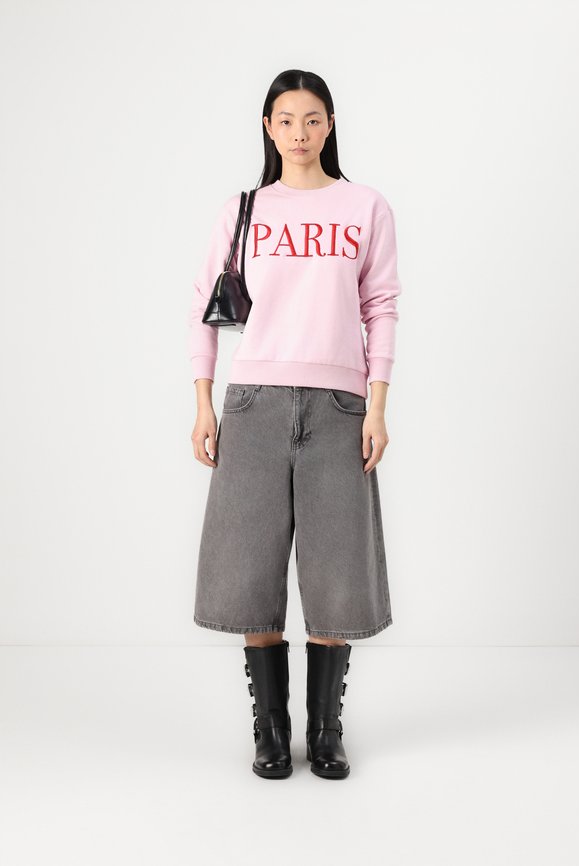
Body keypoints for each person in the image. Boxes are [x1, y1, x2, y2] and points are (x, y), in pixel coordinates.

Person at [188, 69, 402, 780]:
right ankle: (272, 729)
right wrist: (203, 402)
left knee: (338, 569)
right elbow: (203, 308)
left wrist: (377, 404)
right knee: (249, 569)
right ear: (268, 127)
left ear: (330, 124)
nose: (299, 133)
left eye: (312, 120)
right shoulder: (244, 210)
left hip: (340, 405)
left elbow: (381, 306)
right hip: (254, 402)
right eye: (286, 120)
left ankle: (326, 728)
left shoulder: (365, 206)